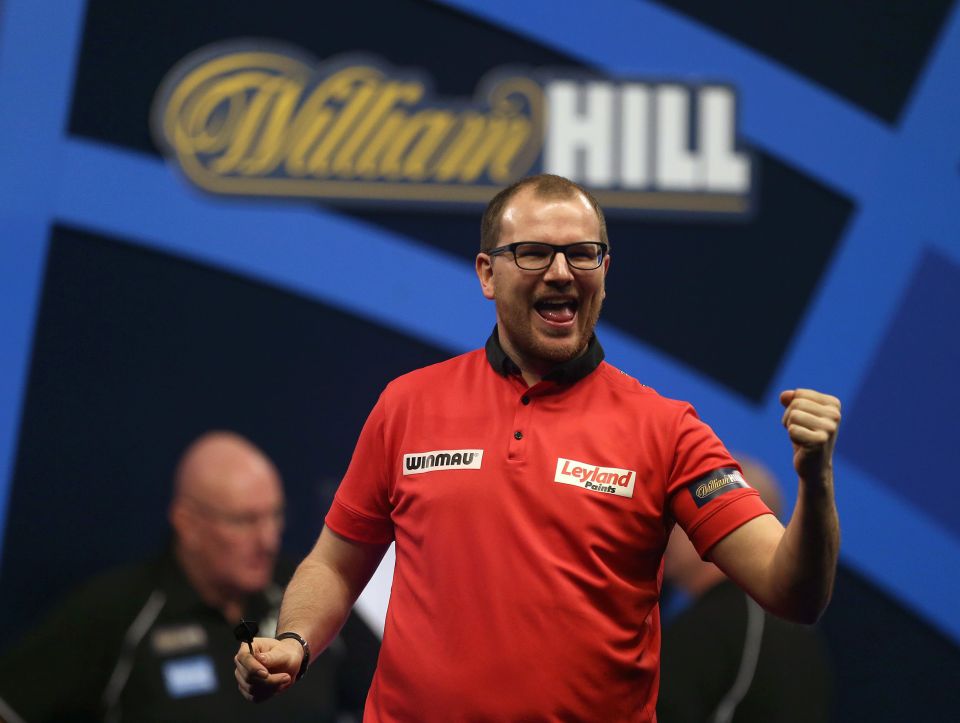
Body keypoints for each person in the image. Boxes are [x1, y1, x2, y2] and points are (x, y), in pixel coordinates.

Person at [235, 174, 842, 721]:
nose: (560, 272)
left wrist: (815, 484)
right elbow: (336, 562)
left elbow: (793, 592)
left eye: (583, 254)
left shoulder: (666, 429)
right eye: (533, 253)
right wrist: (294, 641)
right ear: (487, 273)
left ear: (605, 272)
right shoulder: (408, 404)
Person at [0, 431, 379, 723]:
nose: (268, 538)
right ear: (188, 524)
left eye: (274, 515)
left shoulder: (307, 593)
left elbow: (390, 694)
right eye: (244, 521)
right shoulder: (121, 610)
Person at [658, 456, 834, 722]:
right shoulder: (801, 636)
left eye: (684, 511)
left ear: (728, 525)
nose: (669, 527)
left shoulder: (715, 627)